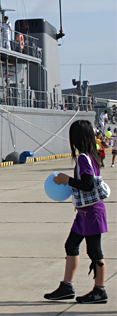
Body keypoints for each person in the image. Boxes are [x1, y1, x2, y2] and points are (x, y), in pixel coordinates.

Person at [44, 120, 108, 304]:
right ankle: (66, 287)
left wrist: (67, 179)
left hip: (92, 213)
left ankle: (100, 290)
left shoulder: (83, 158)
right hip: (84, 213)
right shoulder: (91, 156)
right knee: (71, 245)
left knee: (95, 252)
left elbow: (87, 185)